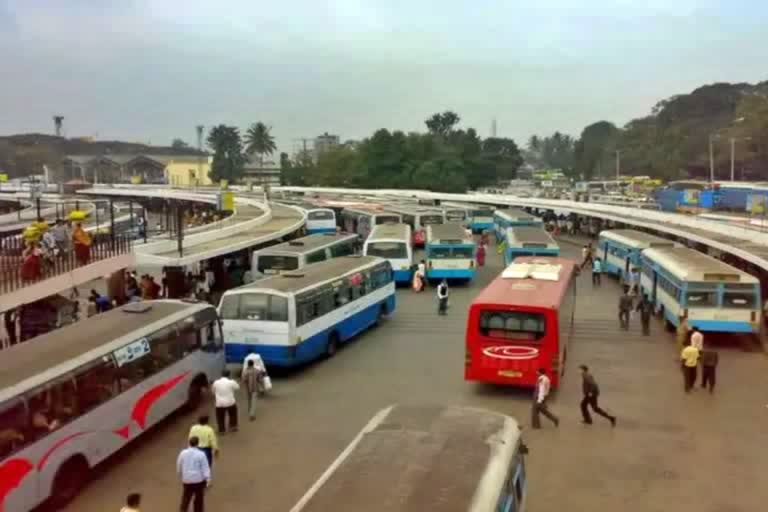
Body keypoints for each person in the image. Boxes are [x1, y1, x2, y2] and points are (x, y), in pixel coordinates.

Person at [177, 436, 210, 512]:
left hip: (187, 480)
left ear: (189, 443)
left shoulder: (183, 453)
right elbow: (205, 468)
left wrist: (180, 474)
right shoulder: (201, 454)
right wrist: (208, 479)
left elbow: (179, 464)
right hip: (198, 480)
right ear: (198, 444)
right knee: (199, 498)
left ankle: (183, 510)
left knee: (186, 497)